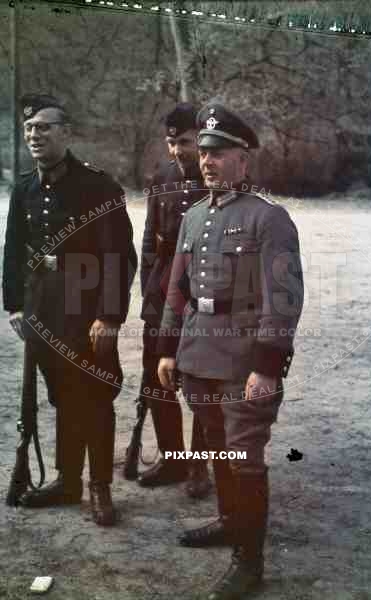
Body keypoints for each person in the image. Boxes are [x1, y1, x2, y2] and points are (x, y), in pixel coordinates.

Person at [158, 103, 304, 599]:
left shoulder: (270, 218)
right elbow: (176, 290)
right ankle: (228, 521)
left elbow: (283, 300)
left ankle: (249, 561)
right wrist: (167, 349)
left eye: (220, 152)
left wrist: (267, 367)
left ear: (245, 159)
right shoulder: (195, 215)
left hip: (243, 361)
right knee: (215, 442)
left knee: (244, 457)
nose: (208, 160)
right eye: (203, 152)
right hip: (198, 353)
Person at [3, 94, 137, 526]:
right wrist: (15, 305)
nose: (34, 135)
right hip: (43, 308)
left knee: (95, 395)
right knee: (62, 395)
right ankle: (67, 481)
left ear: (66, 132)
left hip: (87, 308)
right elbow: (12, 250)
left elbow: (120, 255)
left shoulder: (99, 186)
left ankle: (99, 487)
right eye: (29, 130)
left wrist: (110, 316)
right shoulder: (24, 187)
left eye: (43, 127)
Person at [129, 103, 211, 498]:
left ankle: (199, 466)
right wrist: (150, 289)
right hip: (163, 296)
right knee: (156, 379)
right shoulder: (162, 176)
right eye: (172, 142)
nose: (178, 150)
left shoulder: (218, 179)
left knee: (200, 383)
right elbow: (149, 239)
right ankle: (173, 458)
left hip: (202, 301)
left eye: (186, 142)